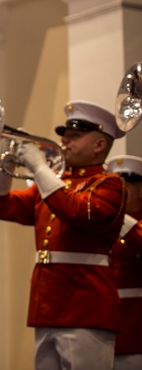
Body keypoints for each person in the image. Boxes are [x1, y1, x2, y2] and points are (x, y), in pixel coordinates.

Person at [0, 100, 126, 369]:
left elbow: (75, 211)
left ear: (99, 145)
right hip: (47, 306)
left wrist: (40, 168)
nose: (64, 141)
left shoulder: (109, 184)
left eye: (74, 136)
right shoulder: (56, 185)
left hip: (85, 306)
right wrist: (5, 165)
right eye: (64, 135)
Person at [104, 154, 142, 369]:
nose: (117, 194)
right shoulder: (101, 223)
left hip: (135, 332)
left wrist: (120, 218)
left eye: (124, 187)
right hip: (101, 329)